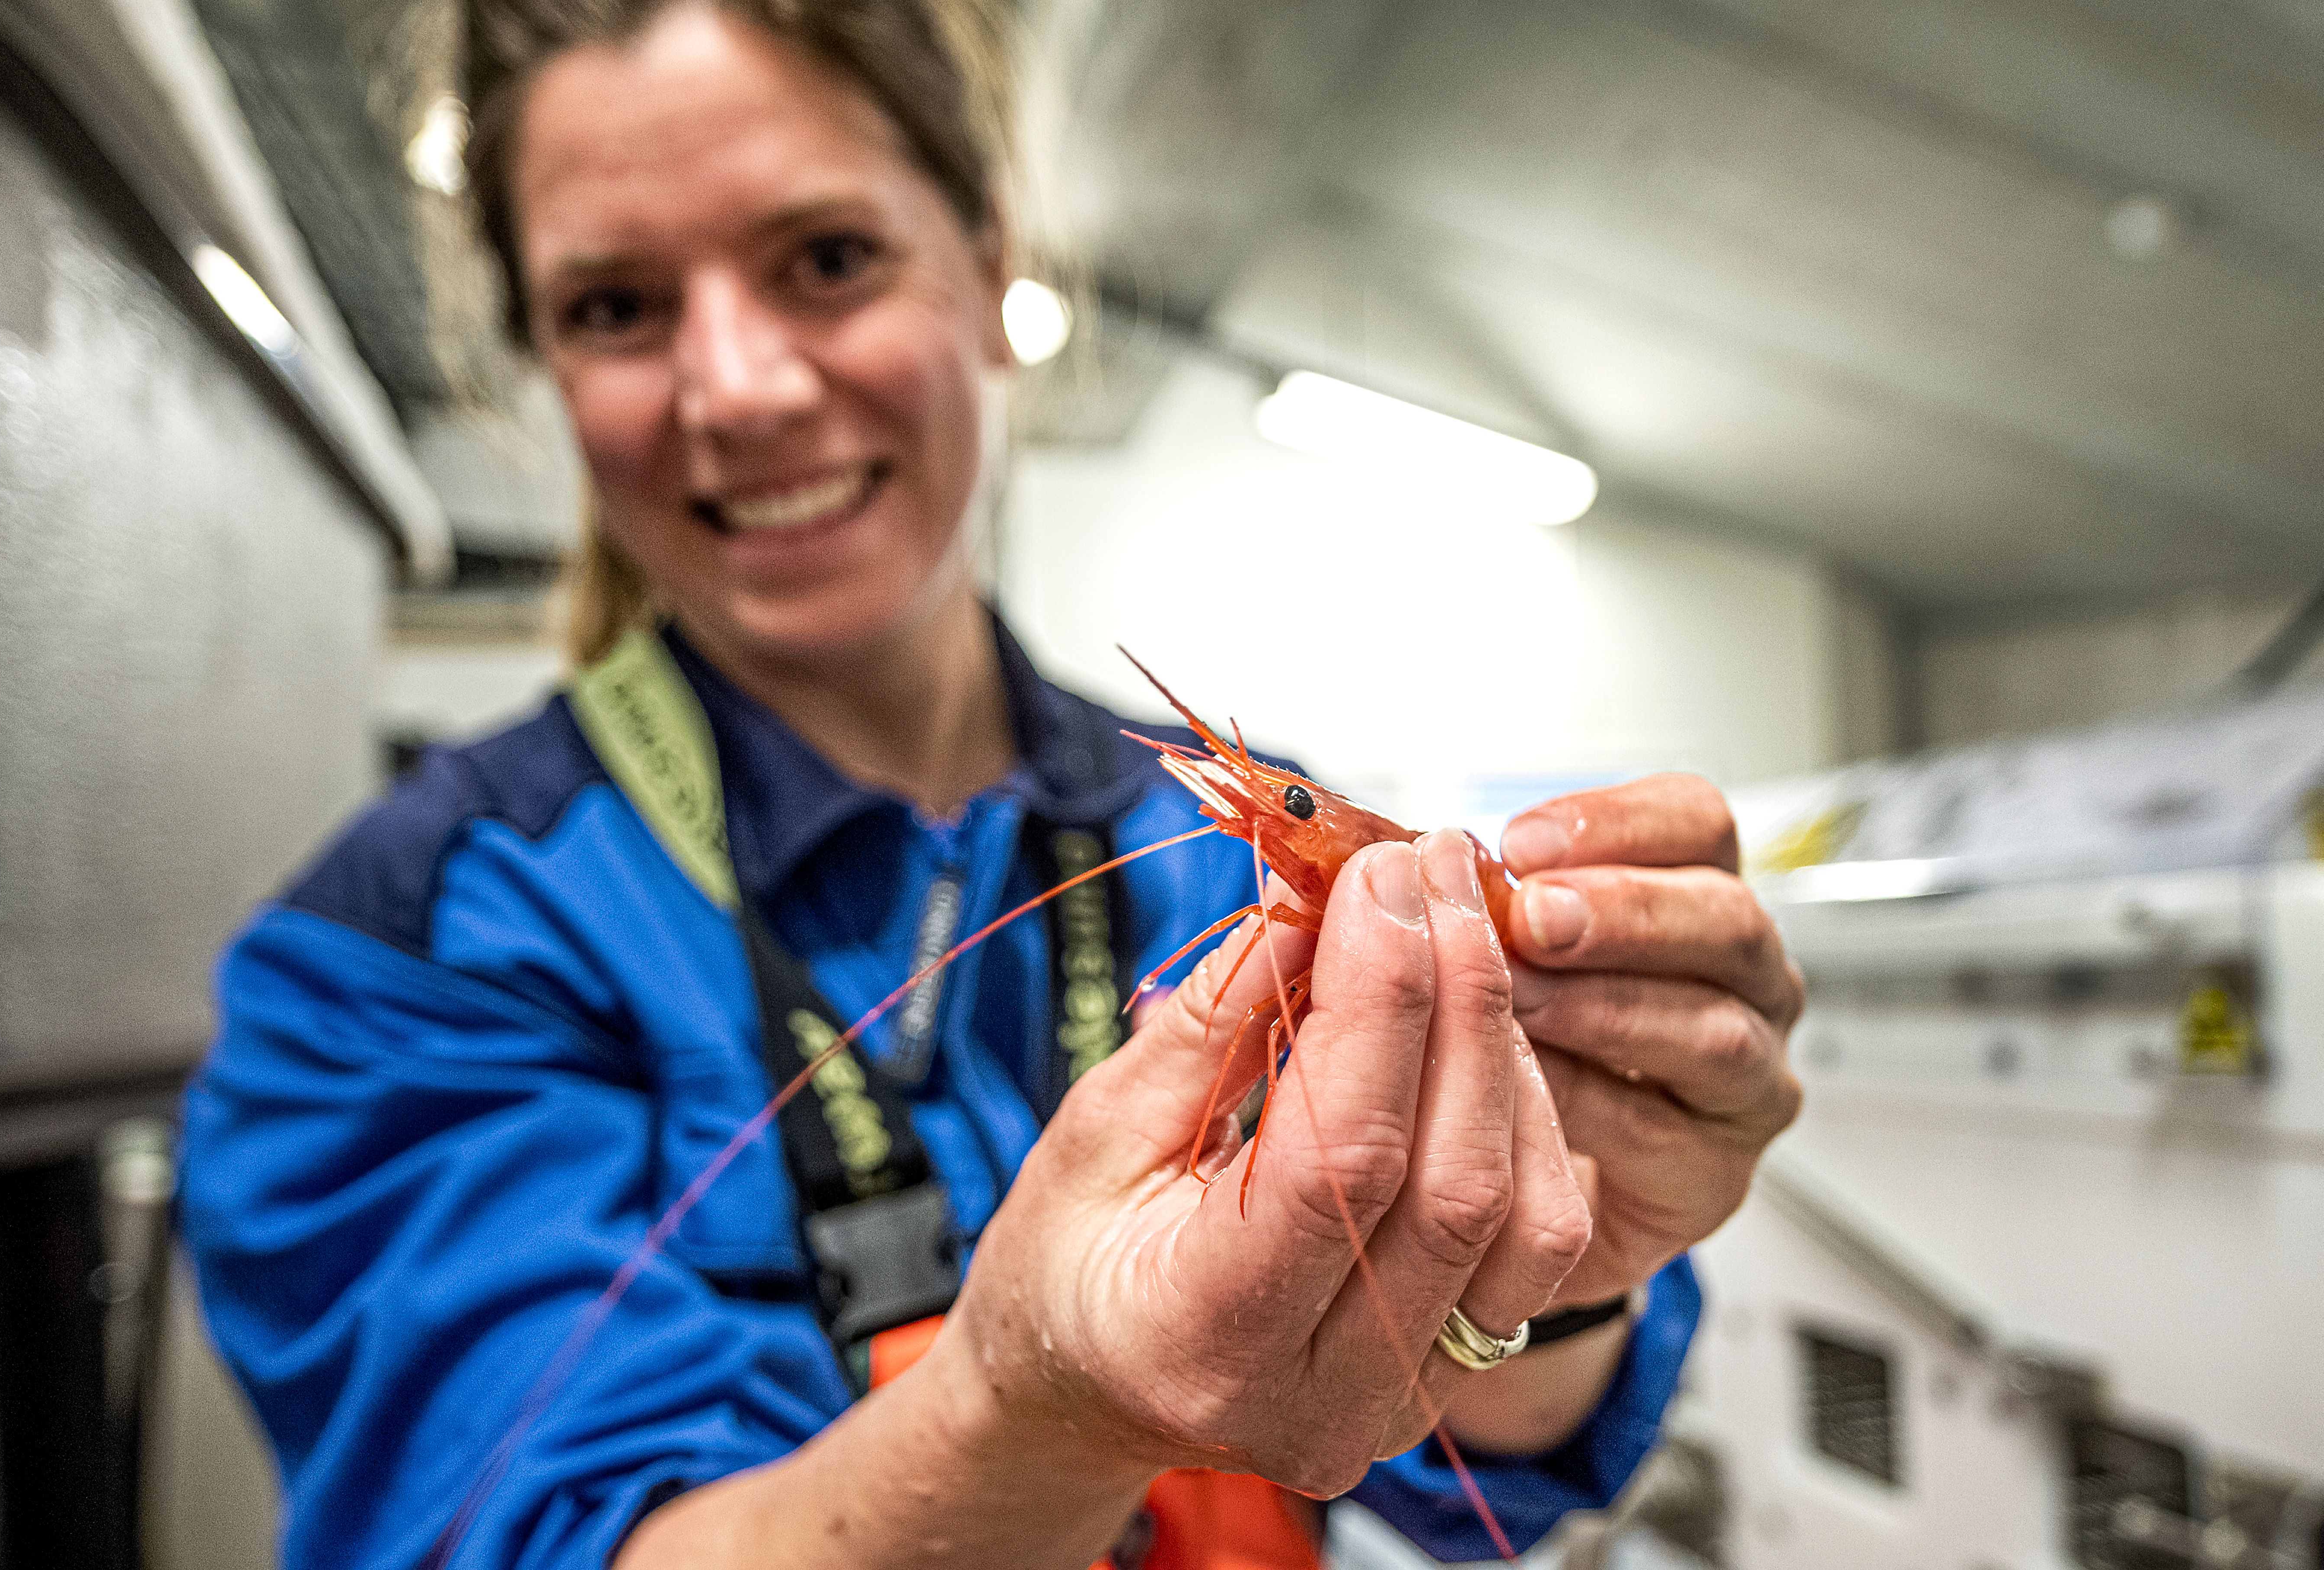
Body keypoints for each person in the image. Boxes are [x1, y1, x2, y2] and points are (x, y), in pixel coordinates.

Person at [179, 2, 1806, 1565]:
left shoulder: (1205, 842)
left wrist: (1559, 1248)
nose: (739, 388)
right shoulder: (396, 959)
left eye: (827, 260)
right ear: (540, 358)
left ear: (989, 263)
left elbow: (1481, 1451)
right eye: (618, 307)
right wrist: (1027, 1408)